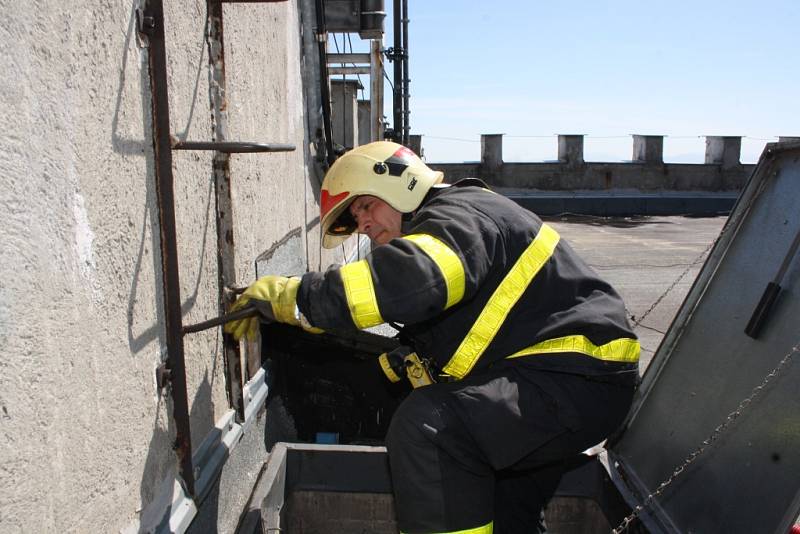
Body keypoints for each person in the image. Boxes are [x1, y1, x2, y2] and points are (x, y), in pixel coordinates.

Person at [225, 141, 639, 534]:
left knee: (430, 429)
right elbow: (458, 326)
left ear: (400, 182)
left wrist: (295, 297)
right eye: (355, 220)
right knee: (502, 500)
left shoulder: (459, 215)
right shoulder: (459, 219)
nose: (363, 224)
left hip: (574, 376)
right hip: (572, 380)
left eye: (366, 206)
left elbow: (411, 281)